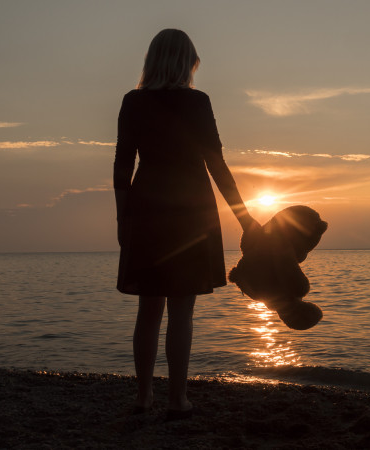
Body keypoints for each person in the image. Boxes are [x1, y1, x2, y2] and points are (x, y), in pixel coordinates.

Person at [113, 29, 259, 420]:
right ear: (186, 62)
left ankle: (144, 397)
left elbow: (122, 167)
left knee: (149, 310)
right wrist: (246, 219)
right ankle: (178, 399)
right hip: (191, 212)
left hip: (146, 210)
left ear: (152, 60)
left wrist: (121, 217)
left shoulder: (133, 101)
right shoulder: (197, 102)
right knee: (182, 313)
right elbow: (217, 165)